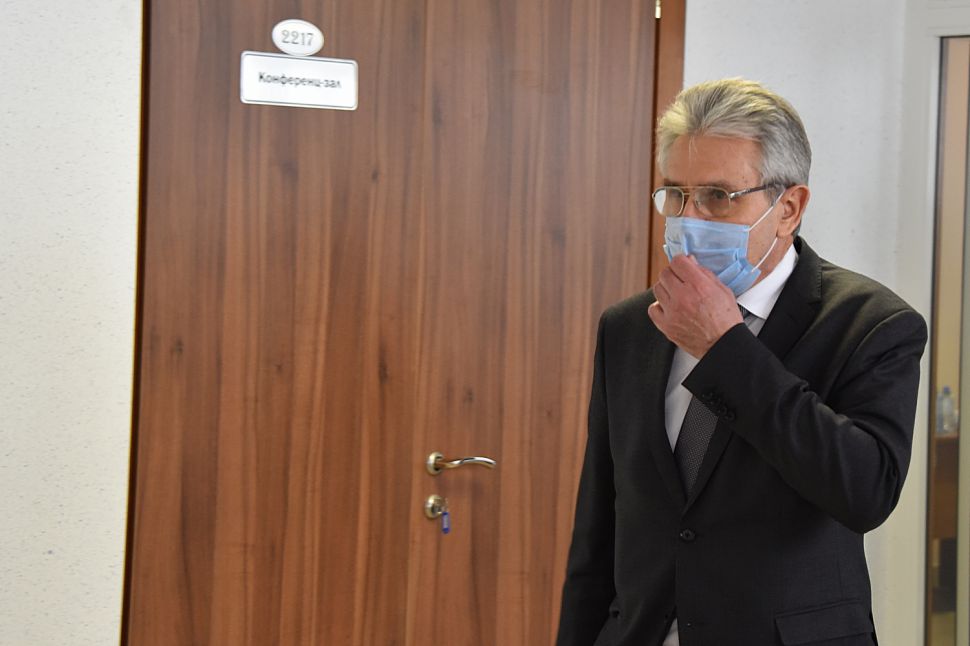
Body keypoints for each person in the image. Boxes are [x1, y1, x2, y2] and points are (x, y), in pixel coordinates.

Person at [556, 78, 927, 646]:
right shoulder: (631, 325)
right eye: (676, 194)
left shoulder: (872, 323)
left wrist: (725, 349)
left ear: (788, 208)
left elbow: (865, 492)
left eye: (718, 196)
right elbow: (599, 528)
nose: (689, 217)